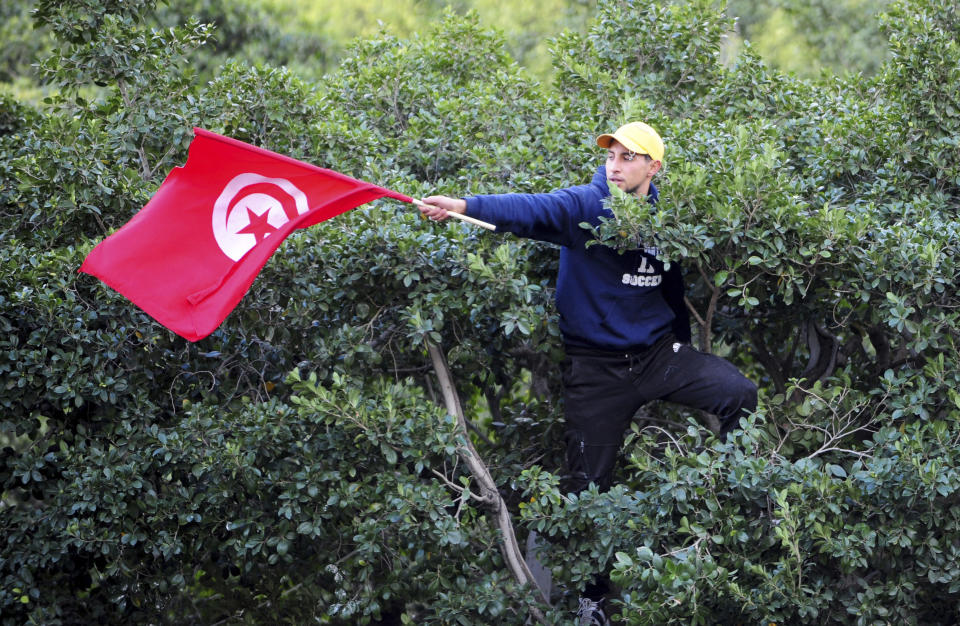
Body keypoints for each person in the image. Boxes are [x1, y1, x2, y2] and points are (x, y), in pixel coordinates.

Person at [419, 121, 757, 620]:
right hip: (597, 370)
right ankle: (591, 600)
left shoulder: (669, 216)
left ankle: (731, 509)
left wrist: (683, 343)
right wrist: (464, 205)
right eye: (611, 156)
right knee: (585, 491)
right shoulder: (587, 205)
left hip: (658, 355)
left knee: (740, 393)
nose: (614, 166)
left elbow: (674, 284)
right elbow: (532, 209)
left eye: (627, 158)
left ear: (653, 168)